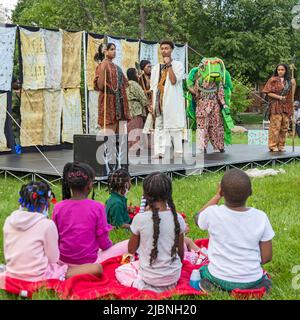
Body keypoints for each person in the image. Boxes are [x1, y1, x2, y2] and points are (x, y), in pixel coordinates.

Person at [2, 181, 102, 282]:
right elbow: (53, 259)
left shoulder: (9, 220)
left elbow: (7, 251)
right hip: (39, 276)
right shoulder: (47, 225)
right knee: (96, 268)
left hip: (13, 272)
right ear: (46, 202)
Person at [194, 169, 274, 293]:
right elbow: (267, 257)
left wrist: (217, 195)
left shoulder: (212, 213)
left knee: (202, 271)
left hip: (218, 275)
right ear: (250, 192)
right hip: (251, 278)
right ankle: (256, 288)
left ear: (222, 191)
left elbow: (198, 217)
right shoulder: (261, 217)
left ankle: (213, 286)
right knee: (264, 280)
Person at [116, 172, 186, 293]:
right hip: (174, 277)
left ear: (145, 195)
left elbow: (131, 250)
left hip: (149, 278)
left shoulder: (140, 218)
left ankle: (143, 286)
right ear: (169, 194)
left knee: (120, 271)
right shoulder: (177, 218)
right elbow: (181, 253)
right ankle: (165, 286)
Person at [52, 162, 128, 266]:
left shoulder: (58, 207)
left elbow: (56, 238)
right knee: (128, 244)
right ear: (90, 185)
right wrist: (111, 246)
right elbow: (104, 244)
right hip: (90, 263)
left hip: (63, 261)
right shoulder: (97, 207)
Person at [150, 40, 186, 158]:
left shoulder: (178, 65)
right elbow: (153, 88)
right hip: (159, 101)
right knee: (159, 126)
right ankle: (159, 151)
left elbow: (174, 81)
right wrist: (152, 104)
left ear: (171, 50)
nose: (164, 51)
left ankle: (178, 151)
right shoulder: (156, 68)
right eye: (162, 48)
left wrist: (169, 65)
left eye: (166, 48)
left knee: (174, 126)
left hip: (172, 101)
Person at [94, 43, 131, 133]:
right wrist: (103, 66)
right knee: (109, 134)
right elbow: (100, 86)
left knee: (121, 136)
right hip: (108, 101)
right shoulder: (102, 65)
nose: (114, 51)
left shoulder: (117, 67)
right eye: (111, 49)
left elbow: (125, 85)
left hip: (120, 102)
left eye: (115, 49)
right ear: (105, 52)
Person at [263, 64, 296, 152]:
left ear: (286, 71)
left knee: (284, 127)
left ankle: (281, 145)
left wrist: (293, 84)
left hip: (286, 107)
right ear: (277, 71)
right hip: (276, 106)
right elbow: (268, 92)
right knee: (275, 127)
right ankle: (273, 145)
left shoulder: (288, 81)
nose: (280, 71)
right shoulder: (272, 80)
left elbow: (292, 95)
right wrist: (279, 97)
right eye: (279, 70)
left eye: (282, 70)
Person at [126, 68, 149, 152]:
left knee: (130, 128)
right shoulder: (135, 84)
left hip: (128, 108)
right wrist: (147, 105)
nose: (138, 75)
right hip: (136, 109)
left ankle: (130, 146)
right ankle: (135, 147)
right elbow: (142, 97)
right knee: (136, 127)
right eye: (136, 74)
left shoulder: (126, 84)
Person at [11, 77, 22, 154]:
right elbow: (15, 105)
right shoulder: (12, 94)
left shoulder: (17, 92)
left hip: (16, 117)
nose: (18, 84)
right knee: (15, 133)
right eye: (17, 83)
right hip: (14, 117)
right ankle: (17, 148)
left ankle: (17, 147)